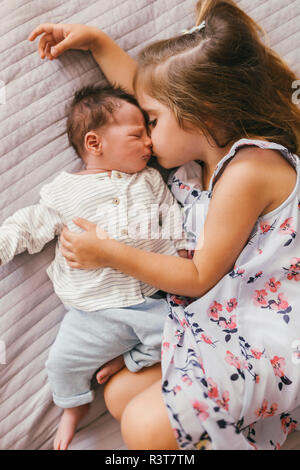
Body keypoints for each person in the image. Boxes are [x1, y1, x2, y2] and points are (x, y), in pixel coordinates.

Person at [28, 0, 300, 450]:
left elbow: (195, 278)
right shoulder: (194, 168)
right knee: (118, 396)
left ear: (201, 112)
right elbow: (142, 89)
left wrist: (107, 252)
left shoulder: (249, 170)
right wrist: (98, 42)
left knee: (142, 426)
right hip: (223, 324)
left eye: (151, 121)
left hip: (273, 338)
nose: (146, 137)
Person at [0, 83, 188, 450]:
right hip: (93, 311)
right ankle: (73, 406)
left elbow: (173, 217)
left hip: (153, 298)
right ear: (94, 143)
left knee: (177, 336)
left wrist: (182, 250)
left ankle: (129, 360)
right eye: (138, 134)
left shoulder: (150, 179)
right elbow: (28, 224)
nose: (149, 143)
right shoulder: (64, 190)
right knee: (60, 363)